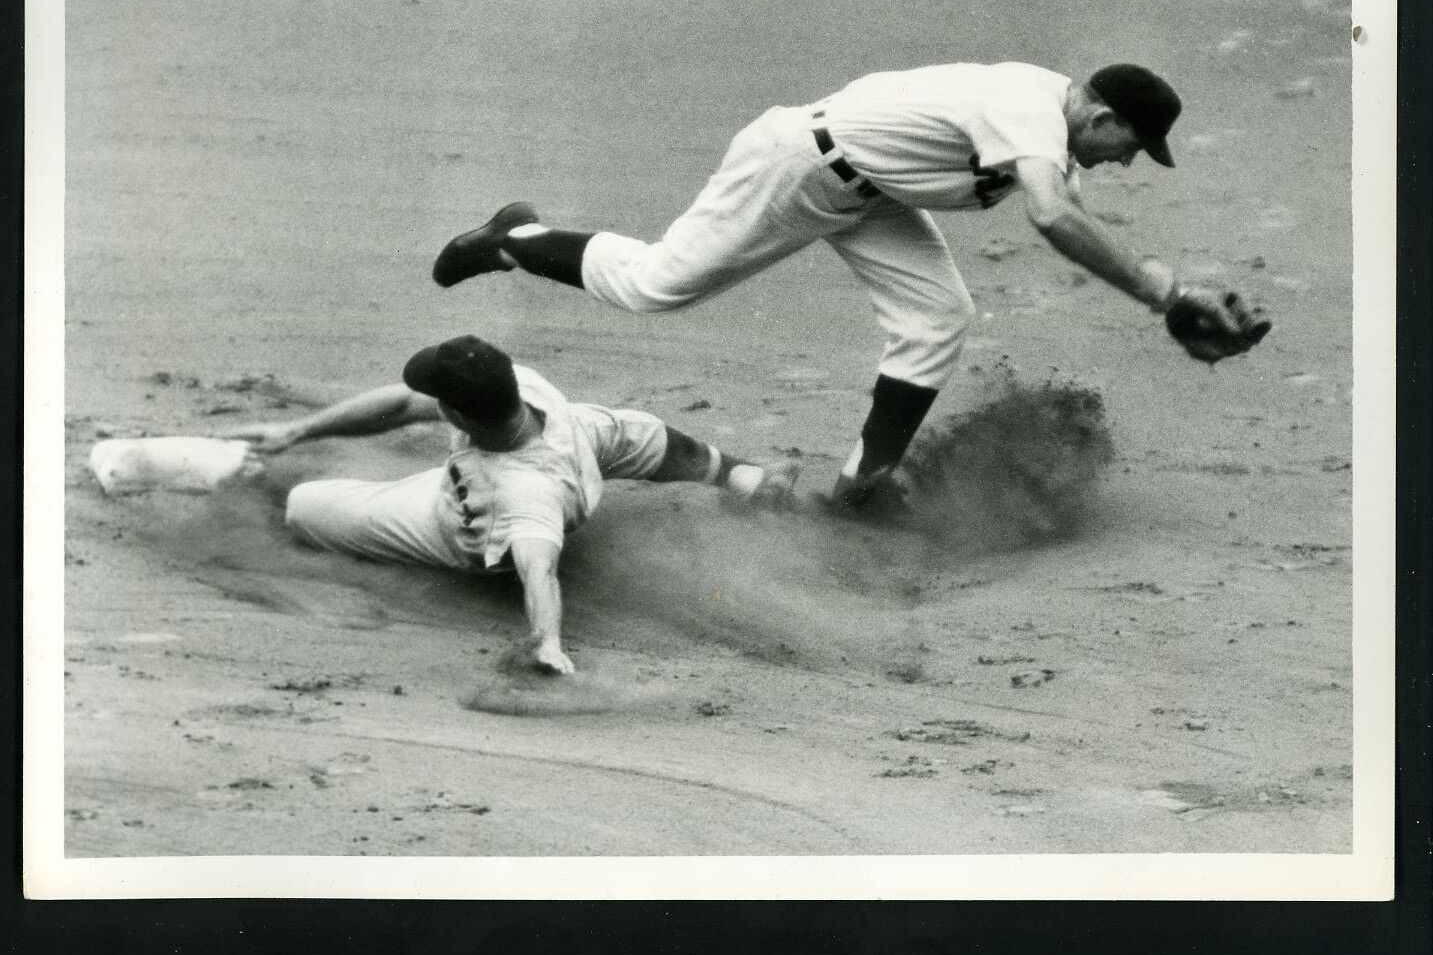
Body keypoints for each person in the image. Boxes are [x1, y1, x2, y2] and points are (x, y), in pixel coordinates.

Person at [432, 62, 1269, 508]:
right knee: (656, 285)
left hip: (867, 192)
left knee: (940, 314)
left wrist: (1168, 298)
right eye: (1131, 146)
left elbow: (1081, 226)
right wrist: (1163, 294)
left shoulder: (1045, 136)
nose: (1125, 161)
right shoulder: (1030, 107)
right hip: (796, 166)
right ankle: (515, 238)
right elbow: (1050, 219)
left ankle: (861, 487)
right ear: (1103, 118)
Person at [228, 335, 799, 675]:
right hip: (568, 450)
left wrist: (547, 643)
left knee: (303, 505)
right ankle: (744, 477)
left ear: (460, 415)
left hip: (457, 528)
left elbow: (538, 568)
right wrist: (296, 430)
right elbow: (405, 403)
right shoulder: (523, 386)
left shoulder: (520, 496)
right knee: (624, 430)